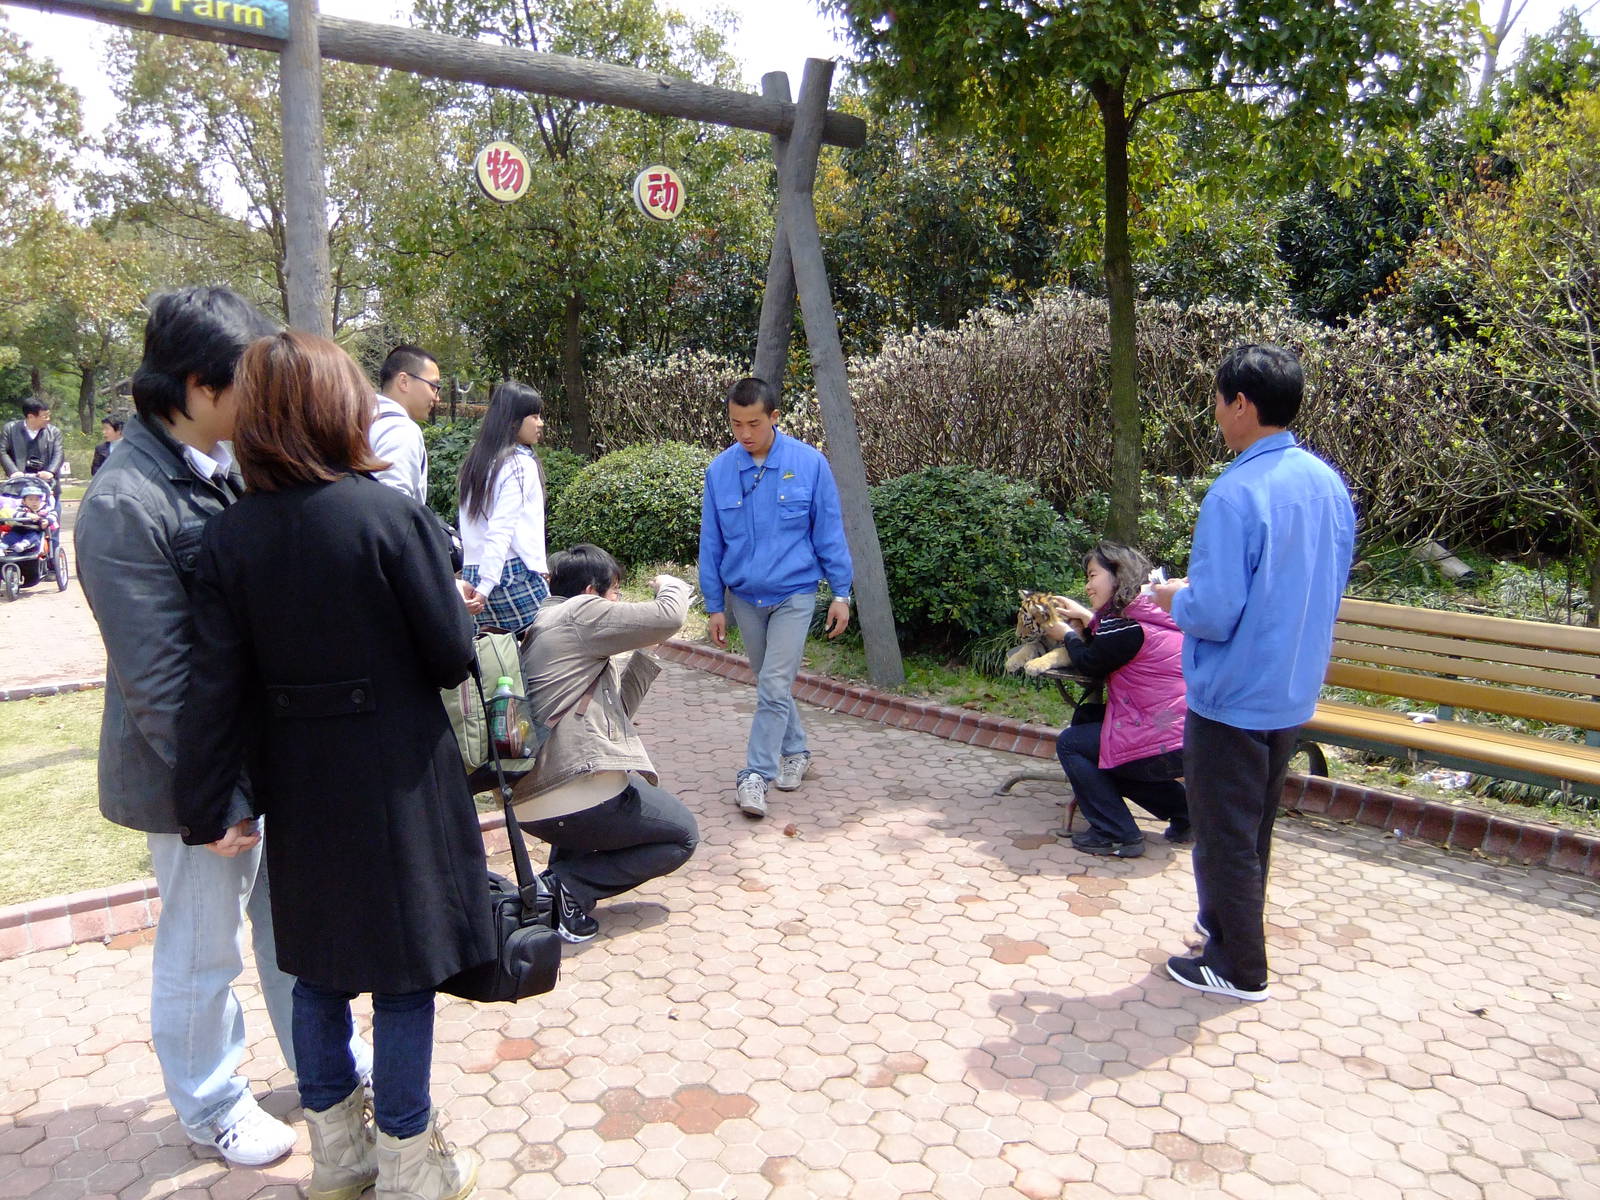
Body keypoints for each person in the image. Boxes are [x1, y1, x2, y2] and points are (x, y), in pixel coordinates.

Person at [173, 330, 491, 1200]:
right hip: (394, 777)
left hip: (298, 780)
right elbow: (445, 652)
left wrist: (210, 803)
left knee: (315, 970)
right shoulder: (388, 515)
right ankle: (408, 1161)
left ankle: (339, 1157)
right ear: (338, 409)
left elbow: (214, 685)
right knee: (401, 973)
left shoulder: (230, 539)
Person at [75, 288, 372, 1168]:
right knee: (205, 946)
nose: (269, 402)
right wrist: (227, 796)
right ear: (200, 388)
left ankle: (321, 1066)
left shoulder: (223, 463)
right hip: (195, 783)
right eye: (253, 384)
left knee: (295, 928)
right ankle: (211, 1103)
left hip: (266, 754)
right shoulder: (125, 503)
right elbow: (160, 681)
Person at [1153, 344, 1355, 1003]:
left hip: (1232, 697)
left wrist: (1170, 598)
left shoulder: (1236, 492)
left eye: (1217, 401)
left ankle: (1241, 969)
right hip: (1289, 690)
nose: (1214, 413)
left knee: (1223, 839)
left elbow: (1212, 612)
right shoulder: (1327, 484)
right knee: (1252, 831)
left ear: (1242, 404)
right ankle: (1222, 935)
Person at [512, 543, 700, 943]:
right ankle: (567, 887)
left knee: (599, 803)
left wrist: (645, 653)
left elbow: (616, 715)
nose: (617, 603)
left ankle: (559, 895)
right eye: (615, 592)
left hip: (533, 802)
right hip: (574, 793)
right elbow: (670, 614)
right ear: (592, 591)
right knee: (681, 834)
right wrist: (671, 583)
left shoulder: (540, 621)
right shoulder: (580, 612)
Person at [699, 377, 853, 819]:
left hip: (794, 593)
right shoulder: (720, 471)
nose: (744, 433)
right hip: (745, 597)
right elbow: (711, 543)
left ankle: (754, 776)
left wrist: (841, 592)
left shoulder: (809, 463)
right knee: (773, 684)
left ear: (774, 418)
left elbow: (828, 531)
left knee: (771, 685)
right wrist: (714, 604)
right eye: (735, 424)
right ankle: (798, 751)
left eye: (753, 423)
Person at [1049, 541, 1189, 859]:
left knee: (1073, 743)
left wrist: (1066, 635)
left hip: (1160, 738)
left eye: (1092, 575)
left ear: (1116, 573)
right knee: (1089, 720)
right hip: (1180, 735)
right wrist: (1087, 615)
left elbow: (1091, 661)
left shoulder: (1126, 625)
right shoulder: (1150, 613)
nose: (1087, 585)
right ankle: (1187, 814)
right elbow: (1114, 642)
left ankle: (1116, 833)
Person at [458, 380, 548, 636]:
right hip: (510, 574)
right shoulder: (519, 463)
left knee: (496, 662)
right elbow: (502, 528)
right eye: (534, 415)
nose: (540, 423)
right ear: (512, 421)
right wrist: (487, 586)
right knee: (544, 652)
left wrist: (482, 584)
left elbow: (472, 527)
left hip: (474, 573)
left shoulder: (476, 463)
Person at [370, 343, 440, 504]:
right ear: (404, 381)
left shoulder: (357, 418)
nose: (436, 397)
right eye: (433, 386)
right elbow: (392, 507)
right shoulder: (401, 431)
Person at [0, 479, 59, 587]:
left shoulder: (45, 509)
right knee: (10, 536)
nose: (34, 502)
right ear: (24, 501)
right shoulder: (21, 509)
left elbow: (53, 514)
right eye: (31, 499)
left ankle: (24, 544)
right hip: (18, 530)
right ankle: (3, 546)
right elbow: (14, 514)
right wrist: (27, 516)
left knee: (33, 537)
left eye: (37, 499)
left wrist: (47, 520)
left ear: (42, 500)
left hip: (35, 532)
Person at [1, 399, 65, 498]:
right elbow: (2, 451)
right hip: (19, 486)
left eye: (49, 415)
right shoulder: (10, 429)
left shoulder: (54, 432)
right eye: (45, 416)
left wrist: (50, 471)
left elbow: (58, 453)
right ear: (31, 416)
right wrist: (14, 471)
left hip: (47, 485)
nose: (48, 419)